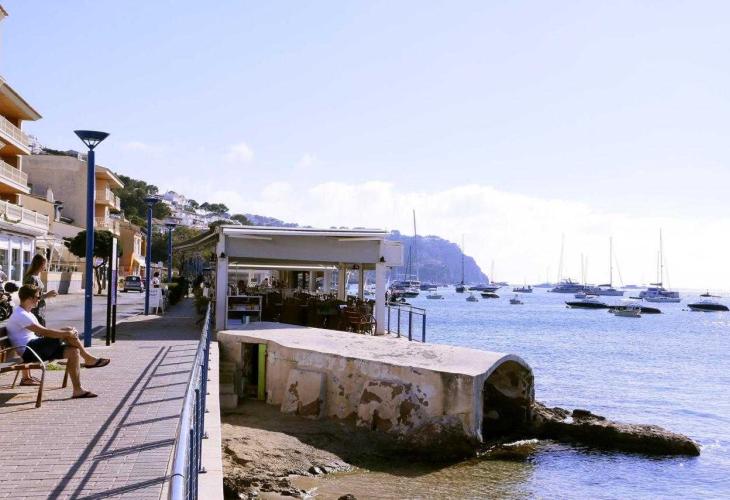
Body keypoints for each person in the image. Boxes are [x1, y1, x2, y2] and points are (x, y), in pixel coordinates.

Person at [6, 285, 110, 399]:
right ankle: (88, 358)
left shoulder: (27, 313)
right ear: (30, 298)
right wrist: (67, 333)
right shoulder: (20, 315)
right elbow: (44, 332)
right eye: (37, 297)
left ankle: (78, 389)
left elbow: (44, 332)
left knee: (73, 351)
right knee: (67, 331)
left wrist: (67, 333)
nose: (39, 299)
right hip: (29, 351)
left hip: (35, 348)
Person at [23, 254, 58, 327]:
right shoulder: (31, 278)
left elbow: (37, 294)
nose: (46, 266)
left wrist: (48, 295)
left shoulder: (36, 277)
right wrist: (47, 295)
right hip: (35, 313)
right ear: (40, 264)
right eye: (45, 264)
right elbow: (30, 298)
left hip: (39, 312)